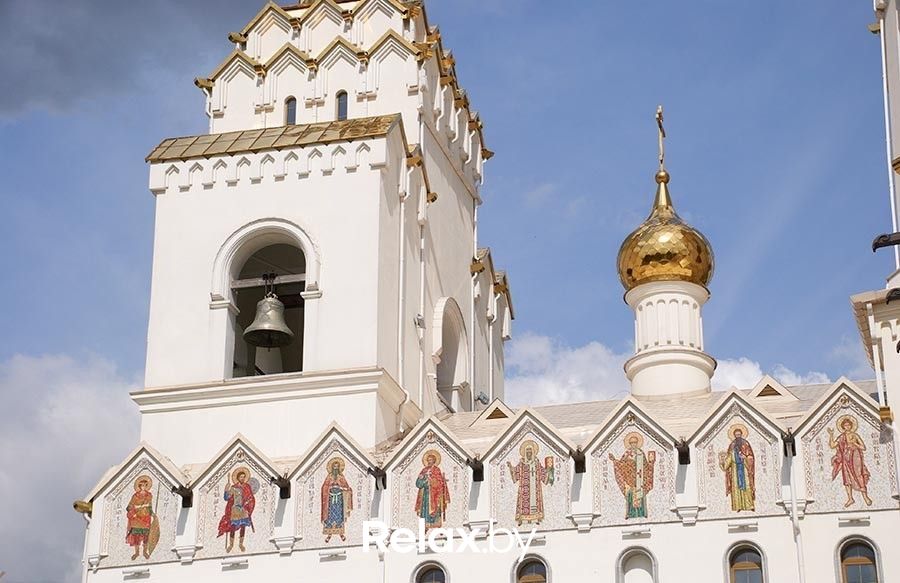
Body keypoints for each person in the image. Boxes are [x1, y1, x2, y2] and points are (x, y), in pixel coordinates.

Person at [828, 416, 873, 508]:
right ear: (843, 427)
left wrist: (854, 443)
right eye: (845, 425)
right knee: (847, 478)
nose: (847, 427)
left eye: (848, 425)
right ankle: (850, 498)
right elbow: (832, 445)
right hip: (845, 458)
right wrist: (831, 435)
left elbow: (863, 447)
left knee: (859, 475)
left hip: (855, 457)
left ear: (851, 426)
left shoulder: (855, 435)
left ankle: (865, 497)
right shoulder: (841, 437)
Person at [609, 433, 656, 519]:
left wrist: (651, 463)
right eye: (632, 443)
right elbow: (622, 464)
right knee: (630, 496)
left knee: (640, 495)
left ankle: (642, 513)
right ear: (629, 444)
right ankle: (630, 513)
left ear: (637, 443)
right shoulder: (627, 453)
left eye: (635, 443)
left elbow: (645, 466)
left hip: (640, 480)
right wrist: (614, 460)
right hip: (629, 480)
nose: (633, 444)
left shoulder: (641, 453)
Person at [507, 440, 553, 525]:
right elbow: (515, 473)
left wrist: (549, 470)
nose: (529, 452)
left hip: (535, 487)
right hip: (525, 488)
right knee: (524, 503)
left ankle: (536, 518)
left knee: (535, 501)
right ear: (524, 452)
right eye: (527, 450)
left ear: (533, 452)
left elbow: (543, 473)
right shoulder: (521, 463)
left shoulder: (536, 463)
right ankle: (522, 519)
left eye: (530, 450)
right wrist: (510, 467)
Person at [217, 467, 256, 552]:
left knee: (243, 526)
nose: (242, 478)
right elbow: (226, 498)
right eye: (241, 477)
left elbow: (251, 497)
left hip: (244, 509)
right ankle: (231, 544)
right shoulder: (234, 487)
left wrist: (248, 502)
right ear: (237, 478)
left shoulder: (247, 486)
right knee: (233, 526)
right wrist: (226, 490)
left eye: (244, 477)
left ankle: (241, 544)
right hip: (235, 509)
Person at [719, 425, 755, 512]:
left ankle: (749, 505)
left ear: (742, 435)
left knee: (747, 487)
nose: (738, 436)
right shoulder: (732, 446)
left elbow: (751, 457)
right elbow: (728, 461)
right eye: (736, 435)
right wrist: (722, 461)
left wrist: (745, 457)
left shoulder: (746, 444)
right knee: (736, 488)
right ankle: (738, 506)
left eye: (739, 435)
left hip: (745, 469)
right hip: (735, 471)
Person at [415, 450, 450, 530]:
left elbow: (439, 482)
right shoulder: (424, 470)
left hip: (434, 494)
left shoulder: (436, 470)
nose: (429, 462)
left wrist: (431, 481)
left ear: (434, 461)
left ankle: (434, 523)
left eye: (430, 460)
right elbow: (418, 484)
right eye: (428, 460)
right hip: (425, 494)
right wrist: (421, 479)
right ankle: (425, 524)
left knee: (434, 508)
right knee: (425, 508)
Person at [321, 458, 353, 542]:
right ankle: (329, 534)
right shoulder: (329, 477)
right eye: (334, 467)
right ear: (332, 468)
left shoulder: (341, 477)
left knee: (339, 515)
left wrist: (341, 487)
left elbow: (346, 487)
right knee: (330, 515)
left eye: (337, 467)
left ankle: (341, 533)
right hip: (330, 499)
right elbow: (324, 487)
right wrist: (330, 487)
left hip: (339, 499)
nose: (335, 468)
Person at [125, 476, 155, 560]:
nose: (143, 487)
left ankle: (145, 552)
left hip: (146, 518)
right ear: (139, 486)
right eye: (142, 485)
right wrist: (133, 513)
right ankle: (137, 552)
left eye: (145, 485)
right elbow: (129, 507)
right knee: (136, 536)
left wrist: (152, 514)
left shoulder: (149, 495)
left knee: (146, 535)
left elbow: (149, 506)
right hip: (137, 518)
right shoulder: (135, 496)